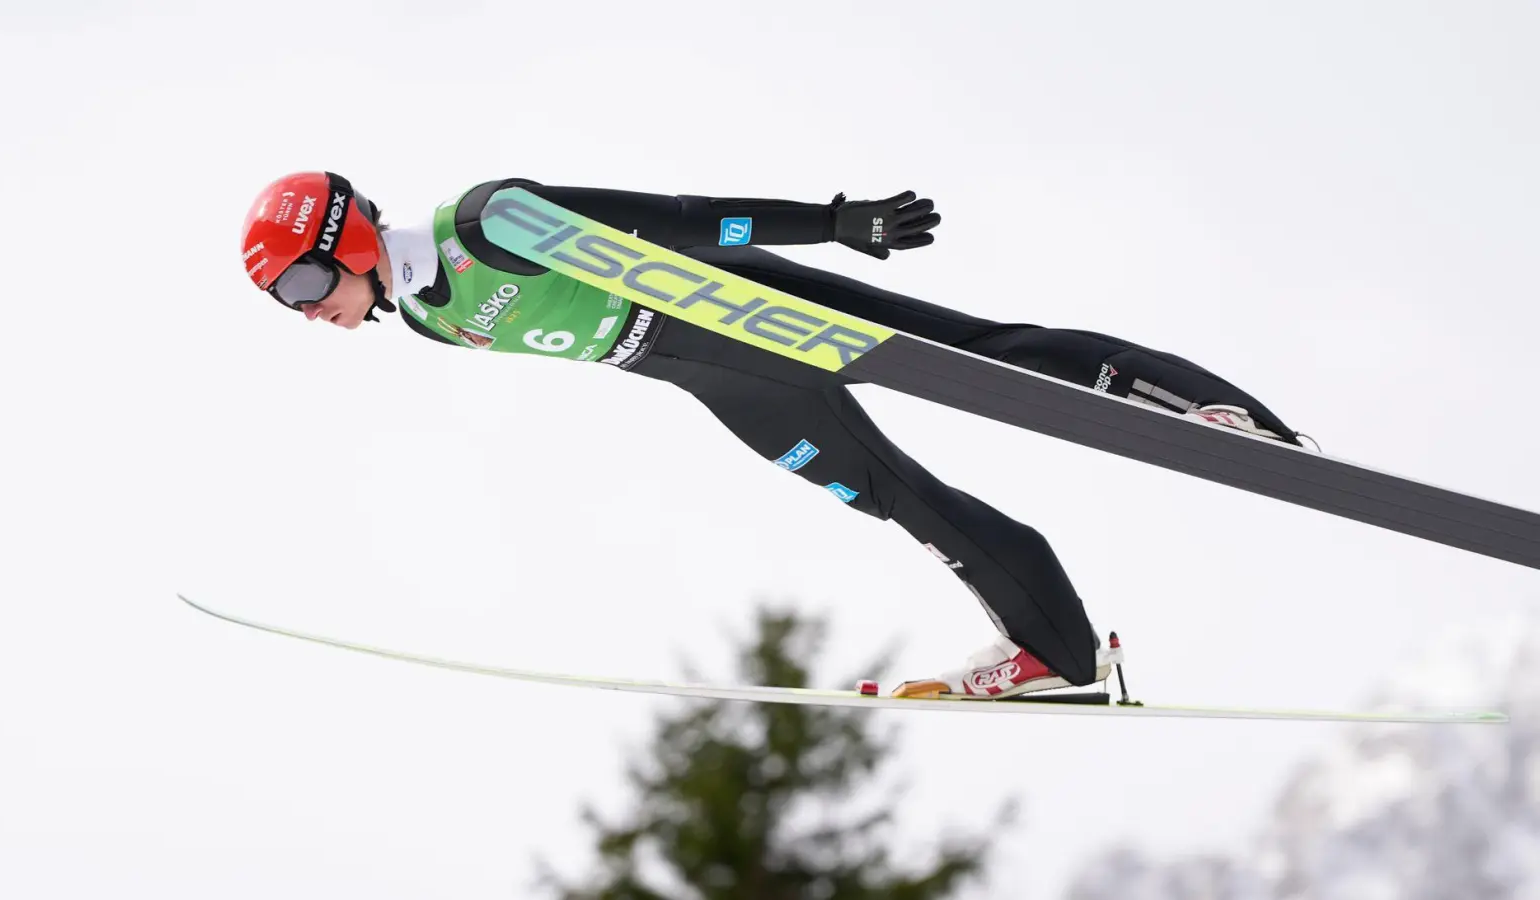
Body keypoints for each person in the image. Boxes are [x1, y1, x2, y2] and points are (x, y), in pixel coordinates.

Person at [239, 171, 1308, 699]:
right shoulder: (424, 320)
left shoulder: (489, 223)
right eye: (284, 302)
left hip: (730, 305)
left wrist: (830, 221)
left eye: (300, 280)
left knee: (978, 352)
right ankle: (1058, 652)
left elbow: (671, 219)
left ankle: (1213, 415)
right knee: (894, 497)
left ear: (349, 235)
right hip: (702, 375)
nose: (304, 309)